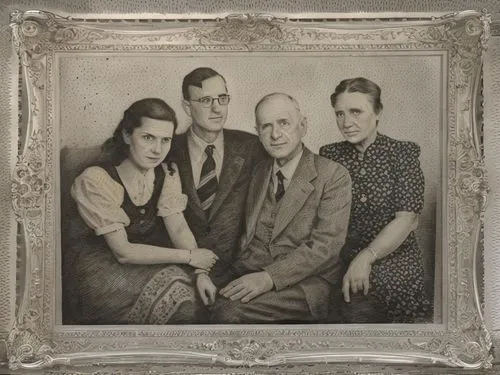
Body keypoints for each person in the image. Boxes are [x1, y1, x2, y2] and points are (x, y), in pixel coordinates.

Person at [64, 98, 218, 324]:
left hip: (142, 263)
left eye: (165, 140)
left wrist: (200, 272)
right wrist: (191, 257)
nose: (157, 150)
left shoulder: (167, 173)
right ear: (127, 135)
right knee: (181, 298)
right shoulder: (96, 180)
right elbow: (123, 252)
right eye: (148, 138)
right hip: (99, 272)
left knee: (194, 296)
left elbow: (177, 227)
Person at [210, 92, 352, 323]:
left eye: (284, 123)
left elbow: (326, 247)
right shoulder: (258, 172)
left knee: (228, 312)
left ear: (303, 126)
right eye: (266, 127)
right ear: (258, 132)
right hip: (248, 271)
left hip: (305, 283)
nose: (275, 135)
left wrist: (268, 277)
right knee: (195, 300)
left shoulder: (333, 175)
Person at [319, 77, 431, 323]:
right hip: (338, 257)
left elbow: (407, 220)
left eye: (356, 112)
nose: (347, 123)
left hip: (393, 257)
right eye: (340, 114)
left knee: (361, 302)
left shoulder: (402, 153)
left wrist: (366, 257)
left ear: (377, 111)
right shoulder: (329, 155)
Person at [169, 67, 265, 309]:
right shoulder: (167, 149)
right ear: (187, 106)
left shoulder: (253, 147)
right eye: (205, 100)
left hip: (239, 271)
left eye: (222, 99)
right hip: (181, 270)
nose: (217, 108)